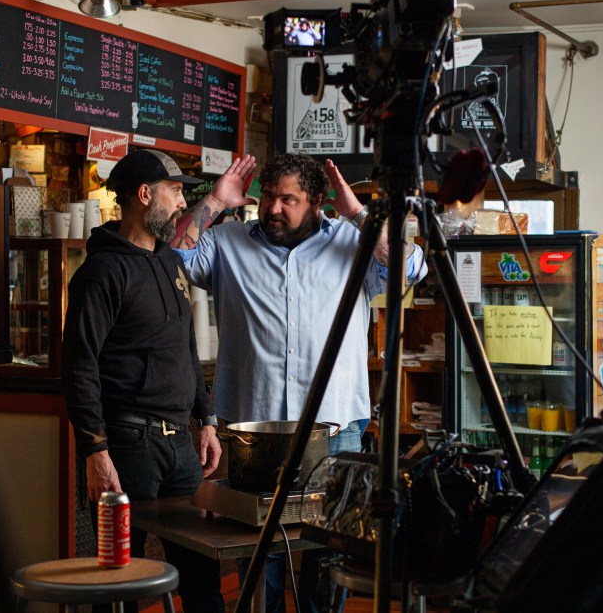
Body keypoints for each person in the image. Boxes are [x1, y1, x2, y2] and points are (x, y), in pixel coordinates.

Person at [174, 152, 427, 613]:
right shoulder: (228, 243)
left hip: (335, 425)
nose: (273, 208)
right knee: (260, 547)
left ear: (317, 201)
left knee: (328, 550)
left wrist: (358, 213)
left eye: (288, 199)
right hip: (254, 429)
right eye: (269, 196)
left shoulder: (354, 242)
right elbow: (171, 255)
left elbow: (409, 268)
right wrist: (215, 201)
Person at [62, 148, 225, 613]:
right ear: (145, 195)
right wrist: (95, 451)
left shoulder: (171, 263)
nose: (182, 203)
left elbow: (186, 348)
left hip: (180, 445)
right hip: (127, 443)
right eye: (175, 192)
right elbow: (79, 366)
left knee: (202, 576)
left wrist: (206, 420)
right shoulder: (100, 273)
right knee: (121, 582)